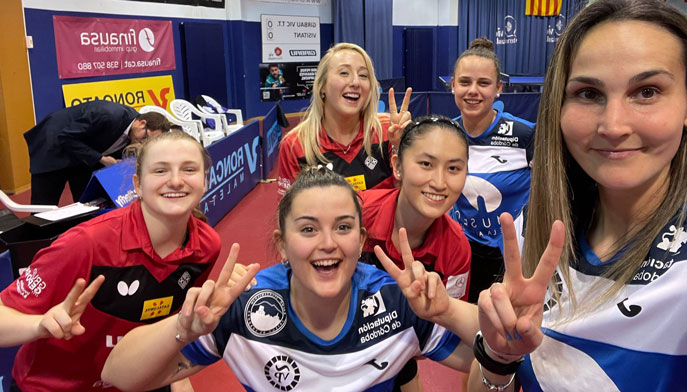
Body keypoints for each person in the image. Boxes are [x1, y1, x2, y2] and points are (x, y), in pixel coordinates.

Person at [469, 1, 687, 391]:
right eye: (588, 93)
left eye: (647, 91)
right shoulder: (533, 230)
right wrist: (499, 356)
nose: (613, 125)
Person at [102, 167, 482, 392]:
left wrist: (448, 312)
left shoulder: (396, 302)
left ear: (362, 239)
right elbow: (119, 374)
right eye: (308, 229)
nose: (328, 244)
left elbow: (492, 360)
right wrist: (182, 329)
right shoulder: (245, 306)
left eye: (344, 227)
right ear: (282, 245)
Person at [0, 130, 222, 392]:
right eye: (160, 171)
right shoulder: (86, 244)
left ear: (205, 180)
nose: (175, 181)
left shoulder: (207, 246)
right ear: (137, 185)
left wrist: (177, 377)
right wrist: (38, 325)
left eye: (189, 169)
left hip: (140, 381)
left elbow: (173, 325)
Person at [360, 115, 473, 390]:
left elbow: (444, 331)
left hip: (396, 359)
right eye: (426, 164)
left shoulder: (457, 249)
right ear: (397, 166)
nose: (439, 182)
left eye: (454, 168)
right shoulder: (356, 214)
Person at [449, 37, 536, 304]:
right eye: (464, 82)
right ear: (453, 85)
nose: (473, 91)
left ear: (498, 88)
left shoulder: (524, 135)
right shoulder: (445, 134)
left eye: (483, 83)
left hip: (511, 253)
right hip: (460, 248)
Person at [277, 42, 412, 195]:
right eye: (344, 73)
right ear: (322, 86)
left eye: (363, 75)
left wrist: (404, 147)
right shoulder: (295, 144)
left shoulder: (389, 130)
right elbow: (289, 213)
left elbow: (409, 196)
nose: (355, 82)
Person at [24, 100, 170, 205]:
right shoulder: (108, 115)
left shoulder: (133, 129)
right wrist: (102, 159)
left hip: (82, 154)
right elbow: (65, 136)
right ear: (141, 123)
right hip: (53, 145)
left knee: (86, 203)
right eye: (145, 137)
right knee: (44, 207)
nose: (142, 143)